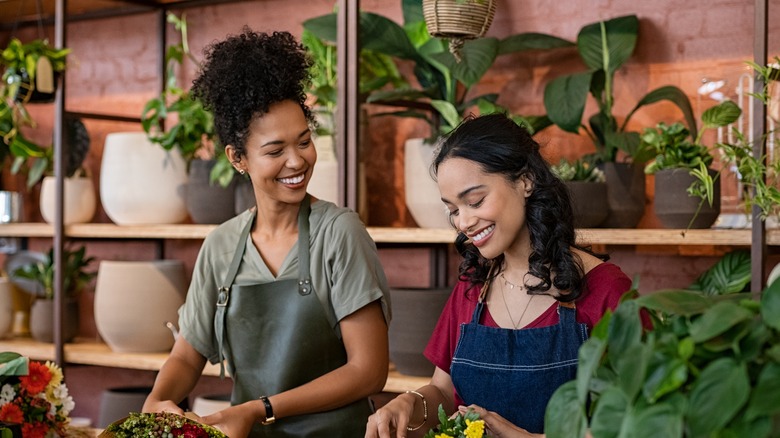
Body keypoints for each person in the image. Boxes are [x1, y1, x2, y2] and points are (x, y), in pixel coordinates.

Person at [142, 28, 391, 438]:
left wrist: (259, 410)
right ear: (237, 158)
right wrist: (158, 401)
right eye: (275, 151)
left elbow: (368, 371)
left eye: (304, 141)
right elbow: (187, 358)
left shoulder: (339, 233)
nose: (297, 161)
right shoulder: (221, 246)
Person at [365, 113, 633, 438]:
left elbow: (638, 421)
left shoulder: (606, 289)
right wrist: (410, 402)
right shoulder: (473, 286)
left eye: (475, 201)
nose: (463, 222)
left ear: (525, 180)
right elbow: (444, 390)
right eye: (453, 210)